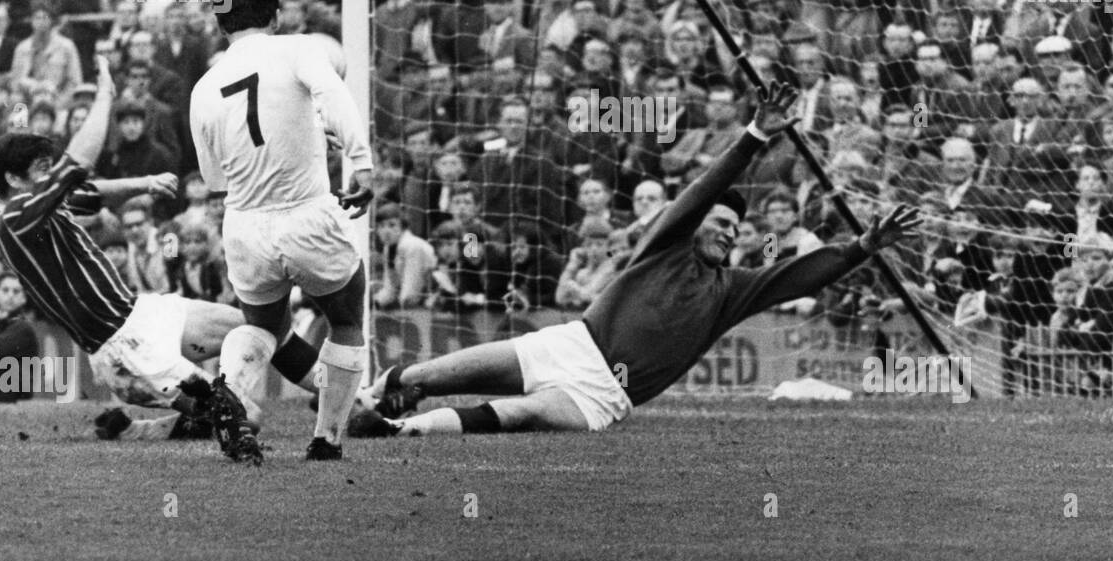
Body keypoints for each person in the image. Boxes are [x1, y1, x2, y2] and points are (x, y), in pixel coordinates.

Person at [365, 83, 919, 434]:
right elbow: (703, 189)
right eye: (721, 223)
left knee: (519, 415)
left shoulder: (731, 289)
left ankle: (404, 432)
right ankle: (384, 390)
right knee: (450, 369)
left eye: (737, 230)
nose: (729, 234)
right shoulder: (665, 244)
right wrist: (752, 137)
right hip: (573, 341)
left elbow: (798, 276)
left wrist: (860, 248)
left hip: (607, 392)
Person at [0, 56, 318, 448]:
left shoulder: (40, 205)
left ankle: (347, 399)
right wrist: (104, 92)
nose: (50, 174)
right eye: (40, 168)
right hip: (125, 348)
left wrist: (146, 182)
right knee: (247, 418)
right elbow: (80, 165)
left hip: (145, 312)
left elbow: (88, 191)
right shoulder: (15, 217)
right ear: (13, 179)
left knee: (259, 326)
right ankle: (155, 427)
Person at [189, 0, 373, 461]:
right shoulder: (298, 48)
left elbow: (213, 179)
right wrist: (361, 162)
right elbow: (333, 96)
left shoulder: (205, 86)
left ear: (220, 22)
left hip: (245, 226)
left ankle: (231, 389)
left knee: (264, 326)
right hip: (307, 213)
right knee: (347, 315)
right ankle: (326, 439)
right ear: (274, 17)